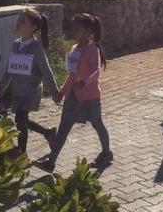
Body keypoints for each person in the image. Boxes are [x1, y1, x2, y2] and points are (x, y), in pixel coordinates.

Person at [35, 14, 112, 172]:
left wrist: (84, 82)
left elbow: (96, 71)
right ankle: (51, 162)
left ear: (88, 30)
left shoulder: (93, 49)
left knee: (97, 124)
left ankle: (106, 152)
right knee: (63, 128)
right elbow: (71, 75)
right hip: (72, 97)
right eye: (73, 28)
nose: (74, 31)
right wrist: (62, 92)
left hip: (90, 98)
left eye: (78, 29)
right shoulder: (74, 49)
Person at [0, 9, 59, 155]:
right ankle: (48, 133)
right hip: (18, 90)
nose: (19, 23)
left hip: (32, 90)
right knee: (22, 120)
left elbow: (46, 70)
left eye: (23, 21)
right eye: (19, 20)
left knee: (20, 120)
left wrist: (54, 91)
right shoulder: (15, 45)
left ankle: (22, 154)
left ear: (33, 27)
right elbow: (9, 71)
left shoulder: (36, 47)